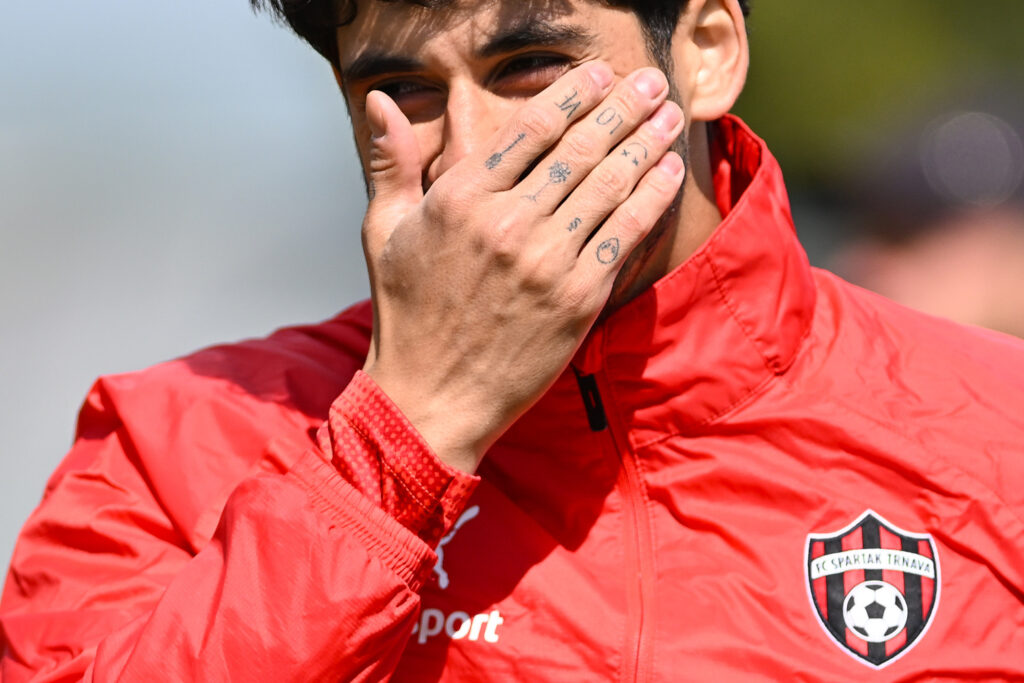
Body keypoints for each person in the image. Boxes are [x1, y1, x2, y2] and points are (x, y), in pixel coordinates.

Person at [2, 0, 1023, 679]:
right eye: (403, 91)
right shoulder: (169, 443)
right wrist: (403, 436)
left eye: (532, 65)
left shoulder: (996, 430)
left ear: (706, 51)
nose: (472, 151)